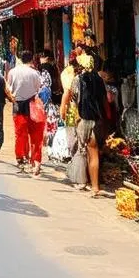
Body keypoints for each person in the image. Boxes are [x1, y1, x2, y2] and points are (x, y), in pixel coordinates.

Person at [60, 53, 109, 195]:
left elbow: (70, 97)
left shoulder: (77, 80)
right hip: (99, 120)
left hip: (85, 121)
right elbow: (104, 101)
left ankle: (94, 187)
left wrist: (64, 111)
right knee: (94, 153)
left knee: (90, 153)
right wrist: (107, 119)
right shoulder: (99, 80)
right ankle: (91, 182)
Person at [7, 50, 44, 176]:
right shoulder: (34, 73)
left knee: (20, 133)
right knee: (36, 136)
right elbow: (38, 87)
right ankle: (35, 162)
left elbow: (9, 87)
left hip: (18, 104)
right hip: (32, 104)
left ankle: (21, 158)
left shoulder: (13, 72)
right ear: (32, 59)